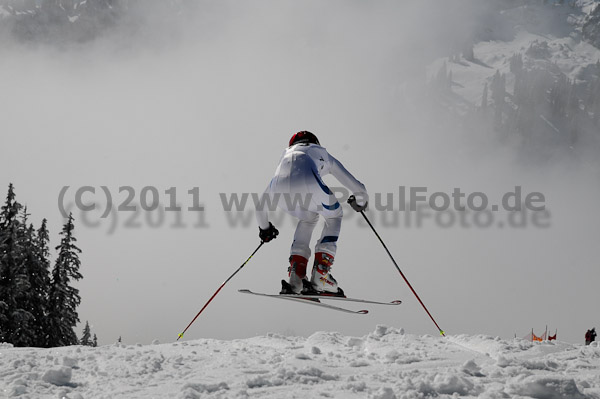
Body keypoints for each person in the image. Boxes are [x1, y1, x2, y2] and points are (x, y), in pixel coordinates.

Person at [256, 131, 368, 296]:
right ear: (315, 142)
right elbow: (359, 188)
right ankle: (321, 275)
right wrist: (360, 201)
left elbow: (260, 207)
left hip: (279, 190)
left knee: (308, 218)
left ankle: (296, 278)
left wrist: (265, 229)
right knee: (334, 215)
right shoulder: (320, 152)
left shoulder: (284, 156)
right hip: (309, 183)